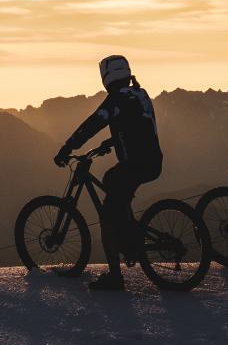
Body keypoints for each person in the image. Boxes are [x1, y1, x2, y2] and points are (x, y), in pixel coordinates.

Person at [53, 55, 163, 291]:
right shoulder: (140, 94)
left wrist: (67, 148)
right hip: (153, 163)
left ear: (106, 76)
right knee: (112, 180)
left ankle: (115, 277)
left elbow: (91, 125)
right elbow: (138, 127)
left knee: (107, 217)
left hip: (134, 165)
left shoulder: (115, 100)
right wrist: (111, 142)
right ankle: (130, 234)